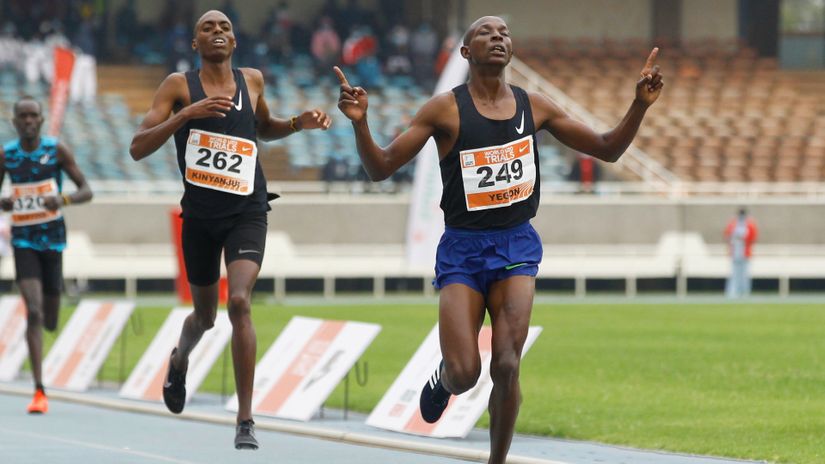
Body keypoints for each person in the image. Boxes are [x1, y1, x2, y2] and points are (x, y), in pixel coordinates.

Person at [334, 16, 663, 463]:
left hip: (516, 245)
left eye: (504, 33)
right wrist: (360, 124)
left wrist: (639, 105)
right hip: (462, 250)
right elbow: (381, 168)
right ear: (466, 53)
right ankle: (444, 380)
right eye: (486, 33)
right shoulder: (444, 110)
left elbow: (607, 148)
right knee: (465, 372)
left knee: (507, 364)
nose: (498, 37)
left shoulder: (535, 106)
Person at [129, 10, 331, 450]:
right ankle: (179, 360)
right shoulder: (178, 86)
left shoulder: (252, 80)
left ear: (235, 42)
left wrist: (296, 124)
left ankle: (245, 420)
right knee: (205, 316)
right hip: (200, 218)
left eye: (224, 27)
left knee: (239, 301)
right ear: (195, 43)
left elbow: (263, 128)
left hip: (247, 211)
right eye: (207, 27)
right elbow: (137, 147)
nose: (217, 32)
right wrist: (186, 115)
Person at [0, 96, 93, 414]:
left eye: (33, 116)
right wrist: (3, 203)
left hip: (53, 242)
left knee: (50, 319)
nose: (28, 121)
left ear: (40, 120)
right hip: (23, 241)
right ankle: (39, 389)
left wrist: (63, 200)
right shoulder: (7, 155)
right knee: (34, 311)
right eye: (22, 116)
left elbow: (87, 190)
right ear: (15, 122)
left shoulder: (56, 151)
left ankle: (50, 317)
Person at [724, 208, 757, 298]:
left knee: (744, 274)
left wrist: (743, 239)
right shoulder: (733, 224)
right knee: (734, 274)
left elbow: (753, 237)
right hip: (735, 253)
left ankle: (745, 292)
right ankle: (733, 292)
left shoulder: (749, 225)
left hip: (745, 253)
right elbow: (727, 235)